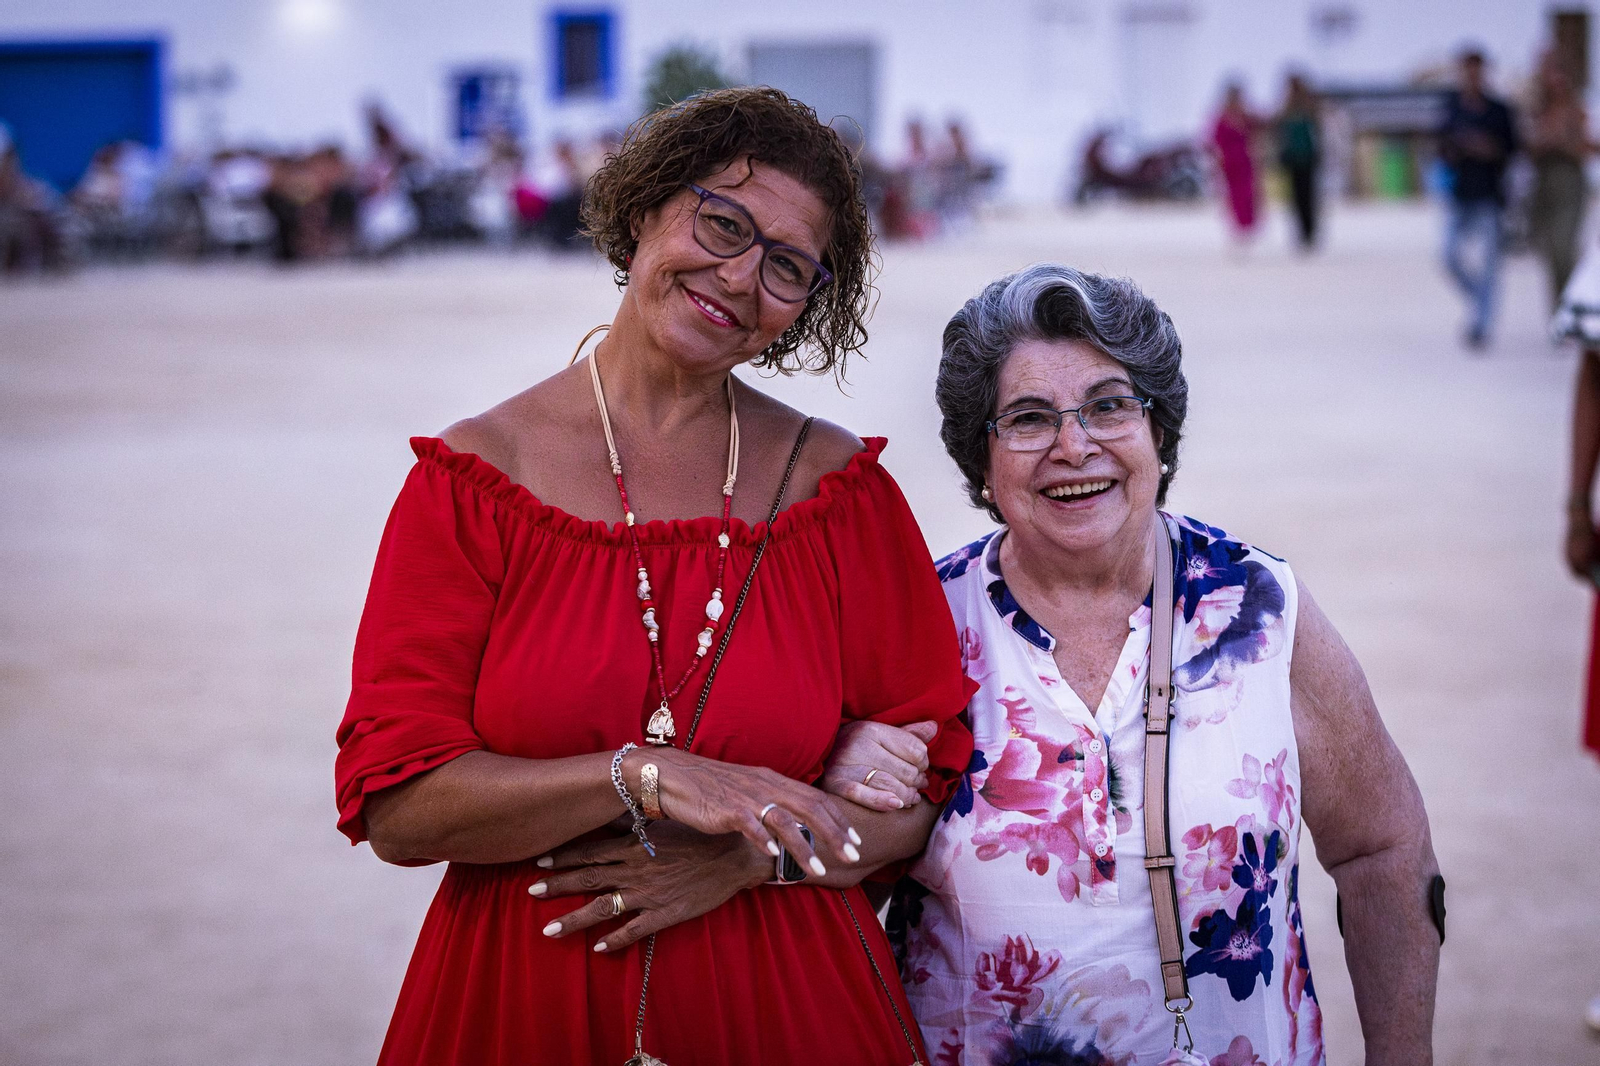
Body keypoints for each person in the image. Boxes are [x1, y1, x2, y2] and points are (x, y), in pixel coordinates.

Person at [333, 86, 975, 1065]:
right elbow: (400, 808)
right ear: (644, 211)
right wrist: (645, 774)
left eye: (787, 266)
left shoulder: (838, 493)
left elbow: (927, 793)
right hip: (523, 1001)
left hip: (790, 1010)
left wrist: (751, 857)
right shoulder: (473, 483)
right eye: (721, 221)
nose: (739, 274)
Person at [823, 264, 1442, 1063]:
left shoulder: (1258, 606)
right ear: (981, 456)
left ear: (1158, 430)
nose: (1074, 446)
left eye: (1110, 406)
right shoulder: (923, 624)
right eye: (1028, 418)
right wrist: (834, 758)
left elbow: (1384, 849)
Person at [1438, 48, 1519, 350]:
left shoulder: (1499, 110)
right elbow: (1441, 145)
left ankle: (1481, 324)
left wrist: (1486, 148)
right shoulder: (1452, 106)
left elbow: (1512, 150)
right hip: (1459, 193)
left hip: (1489, 195)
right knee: (1448, 257)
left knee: (1489, 265)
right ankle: (1481, 299)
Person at [1527, 53, 1592, 311]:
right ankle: (1561, 308)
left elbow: (1589, 146)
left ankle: (1573, 304)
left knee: (1565, 248)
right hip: (1543, 183)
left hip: (1569, 181)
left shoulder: (1578, 108)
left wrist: (1564, 143)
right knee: (1549, 250)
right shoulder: (1538, 110)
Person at [1276, 73, 1322, 250]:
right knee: (1296, 198)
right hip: (1293, 160)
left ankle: (1309, 232)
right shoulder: (1286, 109)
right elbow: (1280, 133)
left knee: (1308, 197)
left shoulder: (1309, 108)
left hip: (1307, 159)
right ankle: (1301, 233)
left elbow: (1316, 134)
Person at [1211, 83, 1260, 242]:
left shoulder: (1245, 116)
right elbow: (1215, 139)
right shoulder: (1222, 117)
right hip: (1230, 162)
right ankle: (1239, 225)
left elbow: (1258, 131)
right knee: (1234, 194)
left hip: (1245, 160)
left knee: (1247, 192)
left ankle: (1249, 224)